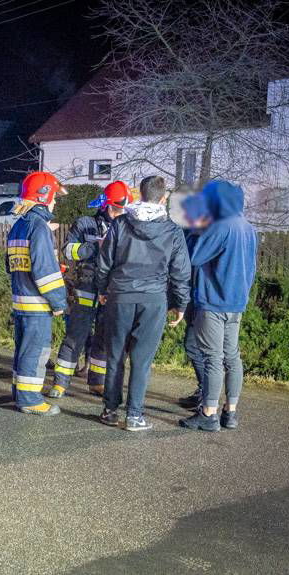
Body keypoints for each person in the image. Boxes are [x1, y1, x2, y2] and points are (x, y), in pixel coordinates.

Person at [94, 175, 190, 431]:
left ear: (139, 194)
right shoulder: (173, 231)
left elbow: (104, 262)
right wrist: (180, 304)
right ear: (163, 198)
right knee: (141, 360)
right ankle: (134, 416)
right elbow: (181, 271)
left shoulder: (120, 224)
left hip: (120, 296)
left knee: (115, 356)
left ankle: (110, 410)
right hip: (153, 299)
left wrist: (102, 290)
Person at [180, 181, 257, 432]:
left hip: (214, 302)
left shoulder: (220, 226)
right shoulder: (247, 227)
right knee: (232, 358)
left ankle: (208, 414)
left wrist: (194, 228)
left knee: (212, 359)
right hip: (236, 302)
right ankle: (230, 412)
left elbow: (194, 256)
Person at [49, 180, 132, 399]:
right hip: (86, 290)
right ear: (105, 205)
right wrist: (95, 246)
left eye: (121, 209)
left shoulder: (125, 226)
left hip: (110, 293)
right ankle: (60, 383)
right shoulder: (85, 224)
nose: (116, 214)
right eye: (114, 208)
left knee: (104, 339)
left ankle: (97, 382)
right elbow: (68, 251)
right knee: (75, 336)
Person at [6, 171, 68, 416]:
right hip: (38, 304)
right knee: (36, 351)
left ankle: (20, 393)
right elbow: (43, 271)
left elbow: (10, 264)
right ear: (45, 195)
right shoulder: (39, 226)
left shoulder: (19, 225)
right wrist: (58, 300)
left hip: (21, 299)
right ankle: (30, 399)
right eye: (54, 197)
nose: (55, 202)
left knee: (23, 350)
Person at [178, 193, 212, 409]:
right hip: (193, 297)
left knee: (196, 346)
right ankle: (204, 391)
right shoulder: (187, 232)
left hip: (206, 299)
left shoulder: (208, 234)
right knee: (193, 346)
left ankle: (207, 395)